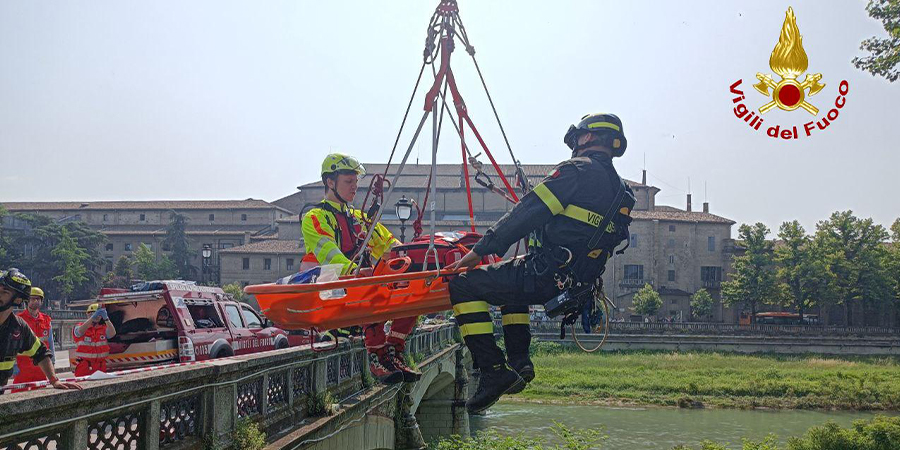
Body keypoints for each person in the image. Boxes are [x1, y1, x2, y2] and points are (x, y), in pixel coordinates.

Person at [447, 113, 636, 413]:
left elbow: (529, 211)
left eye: (577, 139)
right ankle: (520, 362)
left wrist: (483, 249)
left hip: (548, 274)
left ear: (587, 138)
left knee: (462, 285)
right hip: (575, 286)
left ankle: (493, 369)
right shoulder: (622, 191)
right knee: (509, 288)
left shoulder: (575, 170)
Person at [300, 153, 421, 384]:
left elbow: (390, 246)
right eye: (348, 182)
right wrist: (359, 272)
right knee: (370, 285)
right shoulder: (315, 217)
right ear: (330, 182)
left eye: (356, 182)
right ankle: (377, 355)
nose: (355, 187)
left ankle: (394, 348)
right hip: (331, 292)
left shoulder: (361, 219)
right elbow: (330, 255)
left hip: (357, 292)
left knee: (409, 283)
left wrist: (412, 258)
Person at [0, 269, 81, 392]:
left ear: (17, 300)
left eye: (4, 292)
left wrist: (54, 380)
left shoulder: (18, 327)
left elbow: (41, 352)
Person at [13, 286, 55, 385]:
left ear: (41, 301)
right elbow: (12, 344)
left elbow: (50, 344)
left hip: (42, 367)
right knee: (19, 396)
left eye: (38, 298)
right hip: (23, 368)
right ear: (27, 300)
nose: (35, 301)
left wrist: (52, 363)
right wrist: (14, 366)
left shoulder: (46, 320)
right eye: (32, 298)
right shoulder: (18, 319)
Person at [71, 303, 116, 377]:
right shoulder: (80, 326)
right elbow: (79, 332)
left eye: (98, 314)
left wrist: (106, 319)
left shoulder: (103, 328)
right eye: (92, 313)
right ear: (87, 314)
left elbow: (112, 334)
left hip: (100, 366)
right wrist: (92, 318)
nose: (96, 316)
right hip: (85, 366)